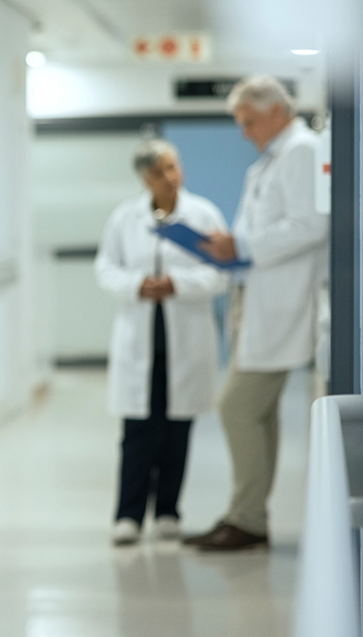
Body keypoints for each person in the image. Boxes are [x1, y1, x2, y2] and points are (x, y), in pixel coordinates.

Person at [189, 75, 329, 551]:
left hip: (283, 298)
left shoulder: (303, 152)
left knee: (237, 406)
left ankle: (247, 518)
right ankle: (249, 517)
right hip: (257, 292)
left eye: (249, 122)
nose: (245, 132)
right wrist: (229, 247)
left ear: (276, 112)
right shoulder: (273, 160)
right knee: (258, 412)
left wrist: (243, 244)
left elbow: (312, 225)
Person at [96, 140, 229, 545]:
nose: (171, 177)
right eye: (160, 172)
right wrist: (138, 285)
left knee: (177, 427)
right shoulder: (125, 217)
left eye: (174, 167)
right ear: (145, 178)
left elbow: (220, 274)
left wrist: (177, 284)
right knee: (138, 429)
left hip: (185, 338)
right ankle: (128, 515)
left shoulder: (203, 214)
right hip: (141, 339)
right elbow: (105, 267)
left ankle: (169, 511)